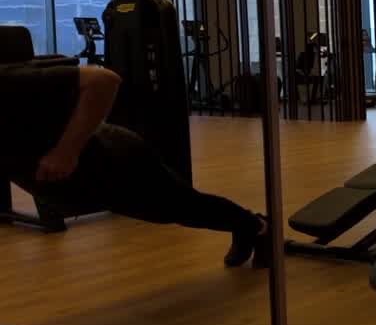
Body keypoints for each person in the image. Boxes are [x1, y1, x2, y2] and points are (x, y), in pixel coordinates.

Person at [0, 62, 268, 267]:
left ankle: (254, 226)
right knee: (181, 207)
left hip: (115, 161)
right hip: (68, 184)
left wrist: (66, 152)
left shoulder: (8, 80)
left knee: (183, 208)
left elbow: (103, 79)